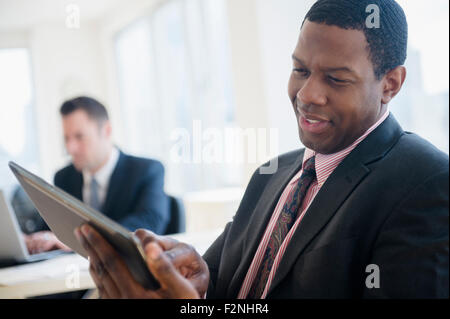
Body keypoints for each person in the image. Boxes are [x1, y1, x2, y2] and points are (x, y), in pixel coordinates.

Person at [75, 0, 449, 298]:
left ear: (391, 84)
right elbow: (220, 286)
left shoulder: (427, 181)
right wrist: (189, 281)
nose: (306, 95)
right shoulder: (272, 174)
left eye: (335, 78)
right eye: (300, 70)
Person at [25, 96, 170, 254]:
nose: (70, 148)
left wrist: (78, 241)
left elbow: (148, 223)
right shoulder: (64, 178)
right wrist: (32, 240)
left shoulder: (147, 170)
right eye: (66, 138)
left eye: (79, 137)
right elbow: (49, 228)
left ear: (106, 131)